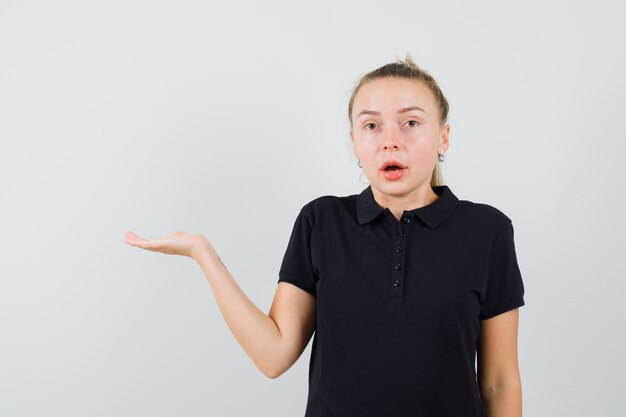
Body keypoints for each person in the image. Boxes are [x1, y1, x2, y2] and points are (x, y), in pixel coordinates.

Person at [124, 54, 525, 417]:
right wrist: (203, 254)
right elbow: (273, 355)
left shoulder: (487, 231)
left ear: (444, 137)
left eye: (411, 123)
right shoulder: (321, 221)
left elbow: (499, 381)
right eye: (371, 125)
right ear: (354, 143)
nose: (390, 140)